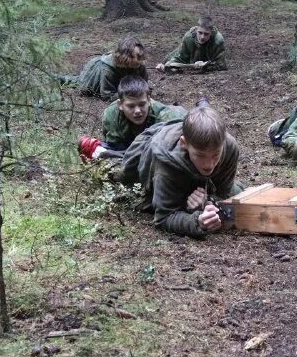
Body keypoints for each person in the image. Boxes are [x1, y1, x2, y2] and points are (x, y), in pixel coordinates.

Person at [112, 104, 242, 238]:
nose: (209, 165)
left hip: (193, 178)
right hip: (147, 171)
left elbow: (224, 194)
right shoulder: (166, 164)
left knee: (239, 192)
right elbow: (164, 217)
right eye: (200, 155)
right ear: (184, 143)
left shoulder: (229, 147)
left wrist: (208, 202)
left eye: (215, 155)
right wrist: (197, 222)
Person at [77, 76, 186, 160]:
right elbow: (114, 146)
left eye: (142, 104)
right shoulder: (111, 115)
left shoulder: (166, 118)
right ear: (120, 104)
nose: (138, 111)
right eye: (131, 106)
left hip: (182, 119)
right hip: (129, 147)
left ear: (149, 100)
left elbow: (176, 150)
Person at [60, 36, 148, 100]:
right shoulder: (108, 69)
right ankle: (52, 78)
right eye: (134, 57)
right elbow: (107, 95)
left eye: (140, 56)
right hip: (92, 79)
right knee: (74, 81)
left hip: (121, 88)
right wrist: (130, 95)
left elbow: (144, 86)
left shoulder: (140, 66)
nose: (138, 60)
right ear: (125, 57)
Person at [155, 16, 227, 73]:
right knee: (169, 60)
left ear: (211, 32)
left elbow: (221, 65)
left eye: (206, 34)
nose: (202, 37)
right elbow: (180, 57)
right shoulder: (189, 37)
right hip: (189, 60)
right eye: (200, 33)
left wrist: (204, 66)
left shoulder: (218, 41)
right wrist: (167, 66)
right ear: (196, 30)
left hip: (206, 62)